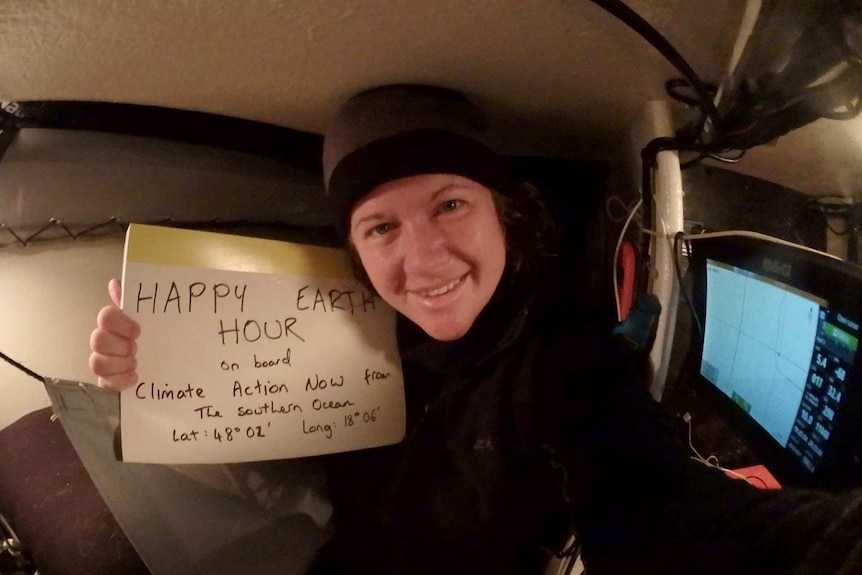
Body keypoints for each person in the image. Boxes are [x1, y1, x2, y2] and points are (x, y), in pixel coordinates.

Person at [90, 85, 862, 575]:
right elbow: (232, 436)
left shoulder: (568, 364)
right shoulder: (322, 346)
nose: (423, 258)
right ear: (355, 250)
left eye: (451, 204)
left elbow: (668, 513)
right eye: (381, 226)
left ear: (505, 212)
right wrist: (150, 383)